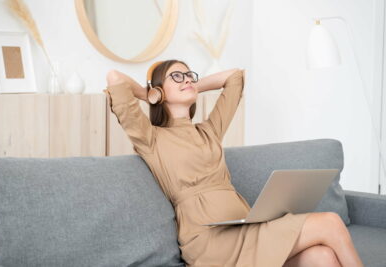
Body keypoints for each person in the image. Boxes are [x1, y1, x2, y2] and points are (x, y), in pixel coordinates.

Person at [103, 59, 363, 267]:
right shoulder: (151, 138)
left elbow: (234, 77)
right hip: (209, 240)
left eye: (189, 75)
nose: (187, 80)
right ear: (158, 89)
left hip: (243, 225)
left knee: (323, 258)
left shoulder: (209, 131)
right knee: (330, 222)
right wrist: (152, 94)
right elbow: (115, 78)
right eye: (177, 76)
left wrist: (193, 86)